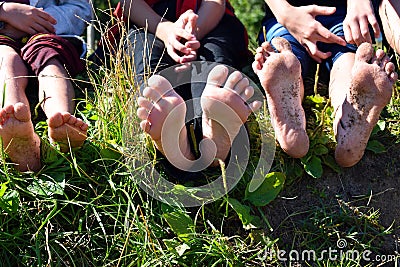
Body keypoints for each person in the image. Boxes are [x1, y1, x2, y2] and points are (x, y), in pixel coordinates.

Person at [252, 0, 399, 167]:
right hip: (293, 17)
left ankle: (291, 104)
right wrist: (286, 14)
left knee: (287, 57)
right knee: (345, 60)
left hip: (332, 16)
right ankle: (346, 123)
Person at [120, 0, 262, 171]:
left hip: (208, 20)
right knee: (148, 58)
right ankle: (177, 138)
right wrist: (167, 31)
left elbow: (216, 3)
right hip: (149, 22)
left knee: (215, 61)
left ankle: (213, 135)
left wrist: (190, 35)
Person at [0, 0, 92, 172]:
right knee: (7, 60)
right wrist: (4, 12)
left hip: (44, 35)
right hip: (2, 36)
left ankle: (61, 121)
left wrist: (39, 20)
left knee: (49, 59)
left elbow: (82, 10)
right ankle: (13, 122)